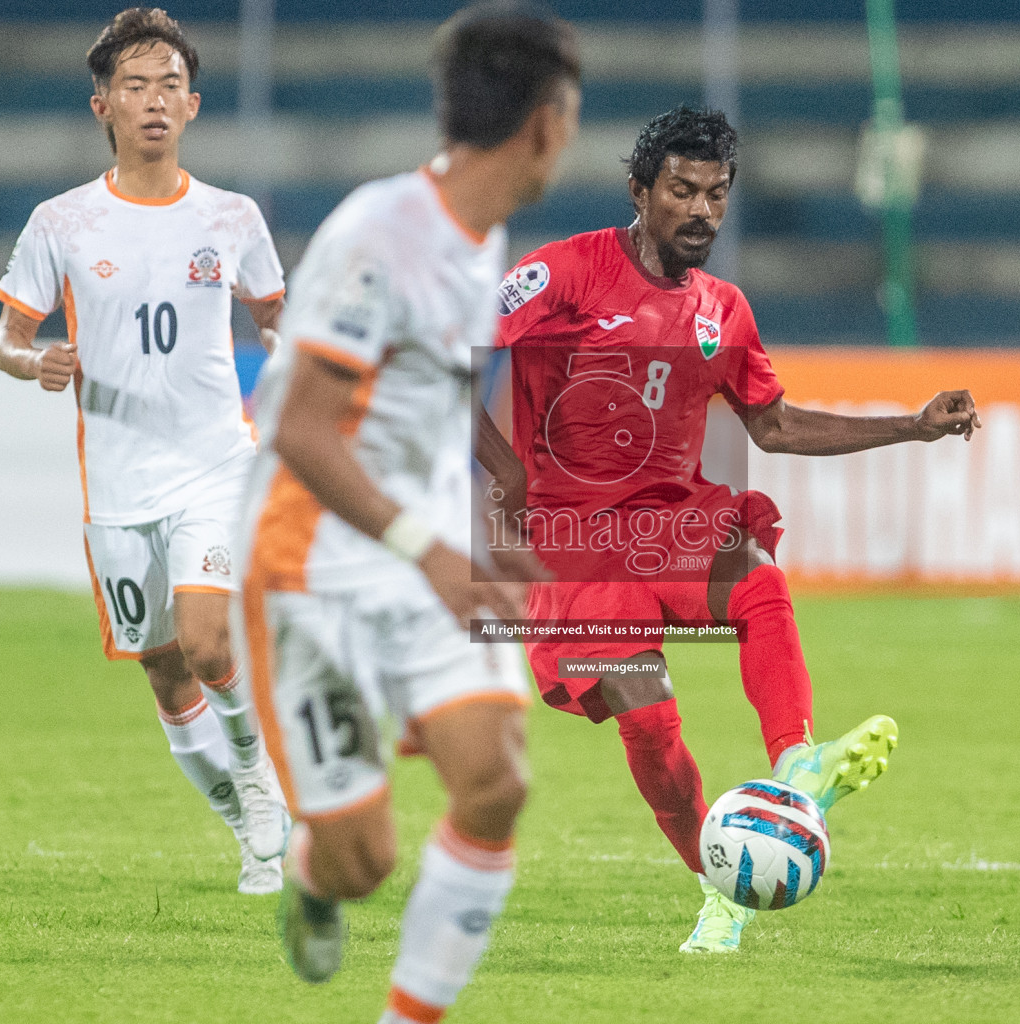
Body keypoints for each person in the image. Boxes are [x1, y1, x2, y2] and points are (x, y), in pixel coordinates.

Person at [480, 105, 981, 952]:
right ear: (639, 192)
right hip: (570, 549)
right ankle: (722, 889)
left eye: (716, 194)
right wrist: (507, 472)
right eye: (681, 190)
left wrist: (912, 425)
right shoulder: (561, 274)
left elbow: (775, 427)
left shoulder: (724, 310)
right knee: (647, 716)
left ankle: (798, 765)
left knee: (758, 578)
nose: (702, 210)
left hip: (666, 526)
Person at [234, 4, 578, 1018]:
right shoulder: (380, 236)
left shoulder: (486, 240)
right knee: (361, 860)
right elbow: (302, 429)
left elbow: (427, 416)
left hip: (417, 545)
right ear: (547, 124)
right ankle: (312, 868)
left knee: (496, 780)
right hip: (315, 563)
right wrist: (429, 549)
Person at [0, 7, 290, 894]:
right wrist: (32, 360)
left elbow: (279, 319)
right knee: (164, 676)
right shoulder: (63, 223)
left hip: (215, 464)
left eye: (169, 86)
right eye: (134, 86)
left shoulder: (232, 218)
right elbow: (6, 337)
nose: (153, 101)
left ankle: (262, 786)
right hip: (118, 486)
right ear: (102, 107)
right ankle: (246, 824)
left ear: (192, 106)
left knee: (207, 641)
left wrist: (303, 374)